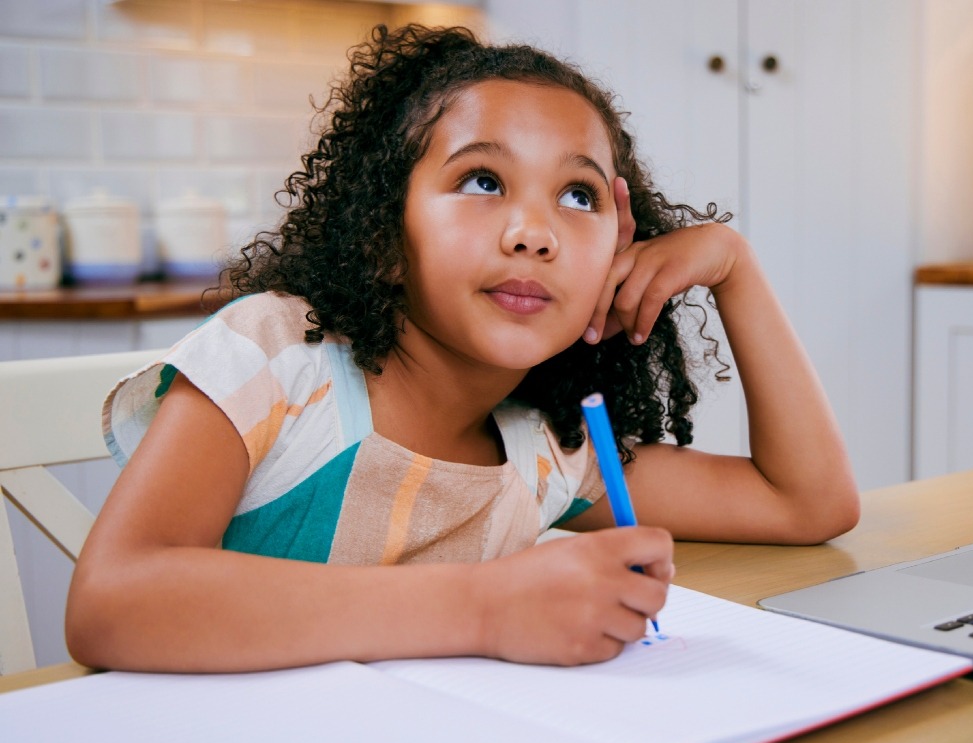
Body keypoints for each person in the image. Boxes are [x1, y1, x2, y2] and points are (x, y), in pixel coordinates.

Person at [65, 24, 858, 673]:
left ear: (616, 253)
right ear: (384, 234)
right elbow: (111, 600)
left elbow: (807, 504)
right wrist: (486, 608)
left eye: (578, 195)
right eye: (483, 181)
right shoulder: (277, 361)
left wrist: (734, 267)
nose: (533, 232)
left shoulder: (548, 452)